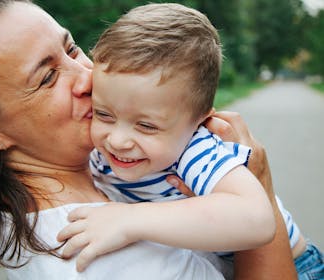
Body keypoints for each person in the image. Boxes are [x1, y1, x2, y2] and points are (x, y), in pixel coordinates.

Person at [0, 0, 297, 279]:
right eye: (47, 77)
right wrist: (259, 181)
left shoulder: (97, 164)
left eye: (72, 47)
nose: (87, 77)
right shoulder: (85, 252)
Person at [57, 3, 323, 279]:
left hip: (298, 266)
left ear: (198, 122)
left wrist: (129, 219)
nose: (118, 140)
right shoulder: (102, 147)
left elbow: (258, 219)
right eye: (103, 114)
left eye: (146, 126)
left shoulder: (195, 150)